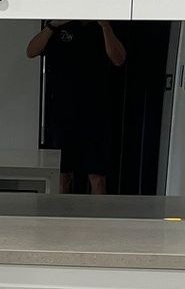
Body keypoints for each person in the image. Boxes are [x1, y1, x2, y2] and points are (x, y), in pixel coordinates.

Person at [28, 19, 127, 194]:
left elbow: (118, 59)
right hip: (61, 113)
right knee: (62, 175)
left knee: (97, 177)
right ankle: (60, 219)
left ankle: (96, 221)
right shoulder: (58, 27)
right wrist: (52, 25)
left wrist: (105, 26)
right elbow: (31, 51)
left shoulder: (104, 27)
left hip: (97, 114)